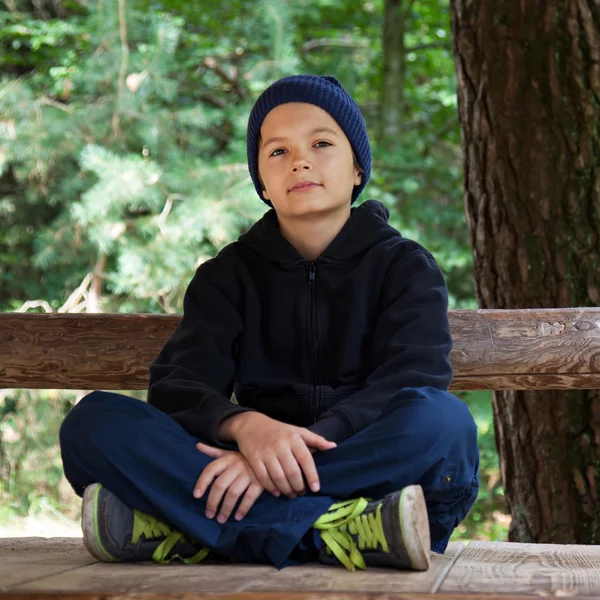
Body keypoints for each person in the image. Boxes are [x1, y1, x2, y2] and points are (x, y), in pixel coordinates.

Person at [59, 74, 480, 573]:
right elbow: (180, 387)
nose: (300, 160)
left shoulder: (404, 266)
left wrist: (284, 460)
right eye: (277, 151)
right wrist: (246, 428)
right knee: (91, 423)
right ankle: (337, 532)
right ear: (261, 181)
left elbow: (411, 380)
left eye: (321, 143)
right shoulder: (227, 275)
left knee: (444, 424)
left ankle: (202, 531)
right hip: (282, 468)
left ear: (358, 169)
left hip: (355, 463)